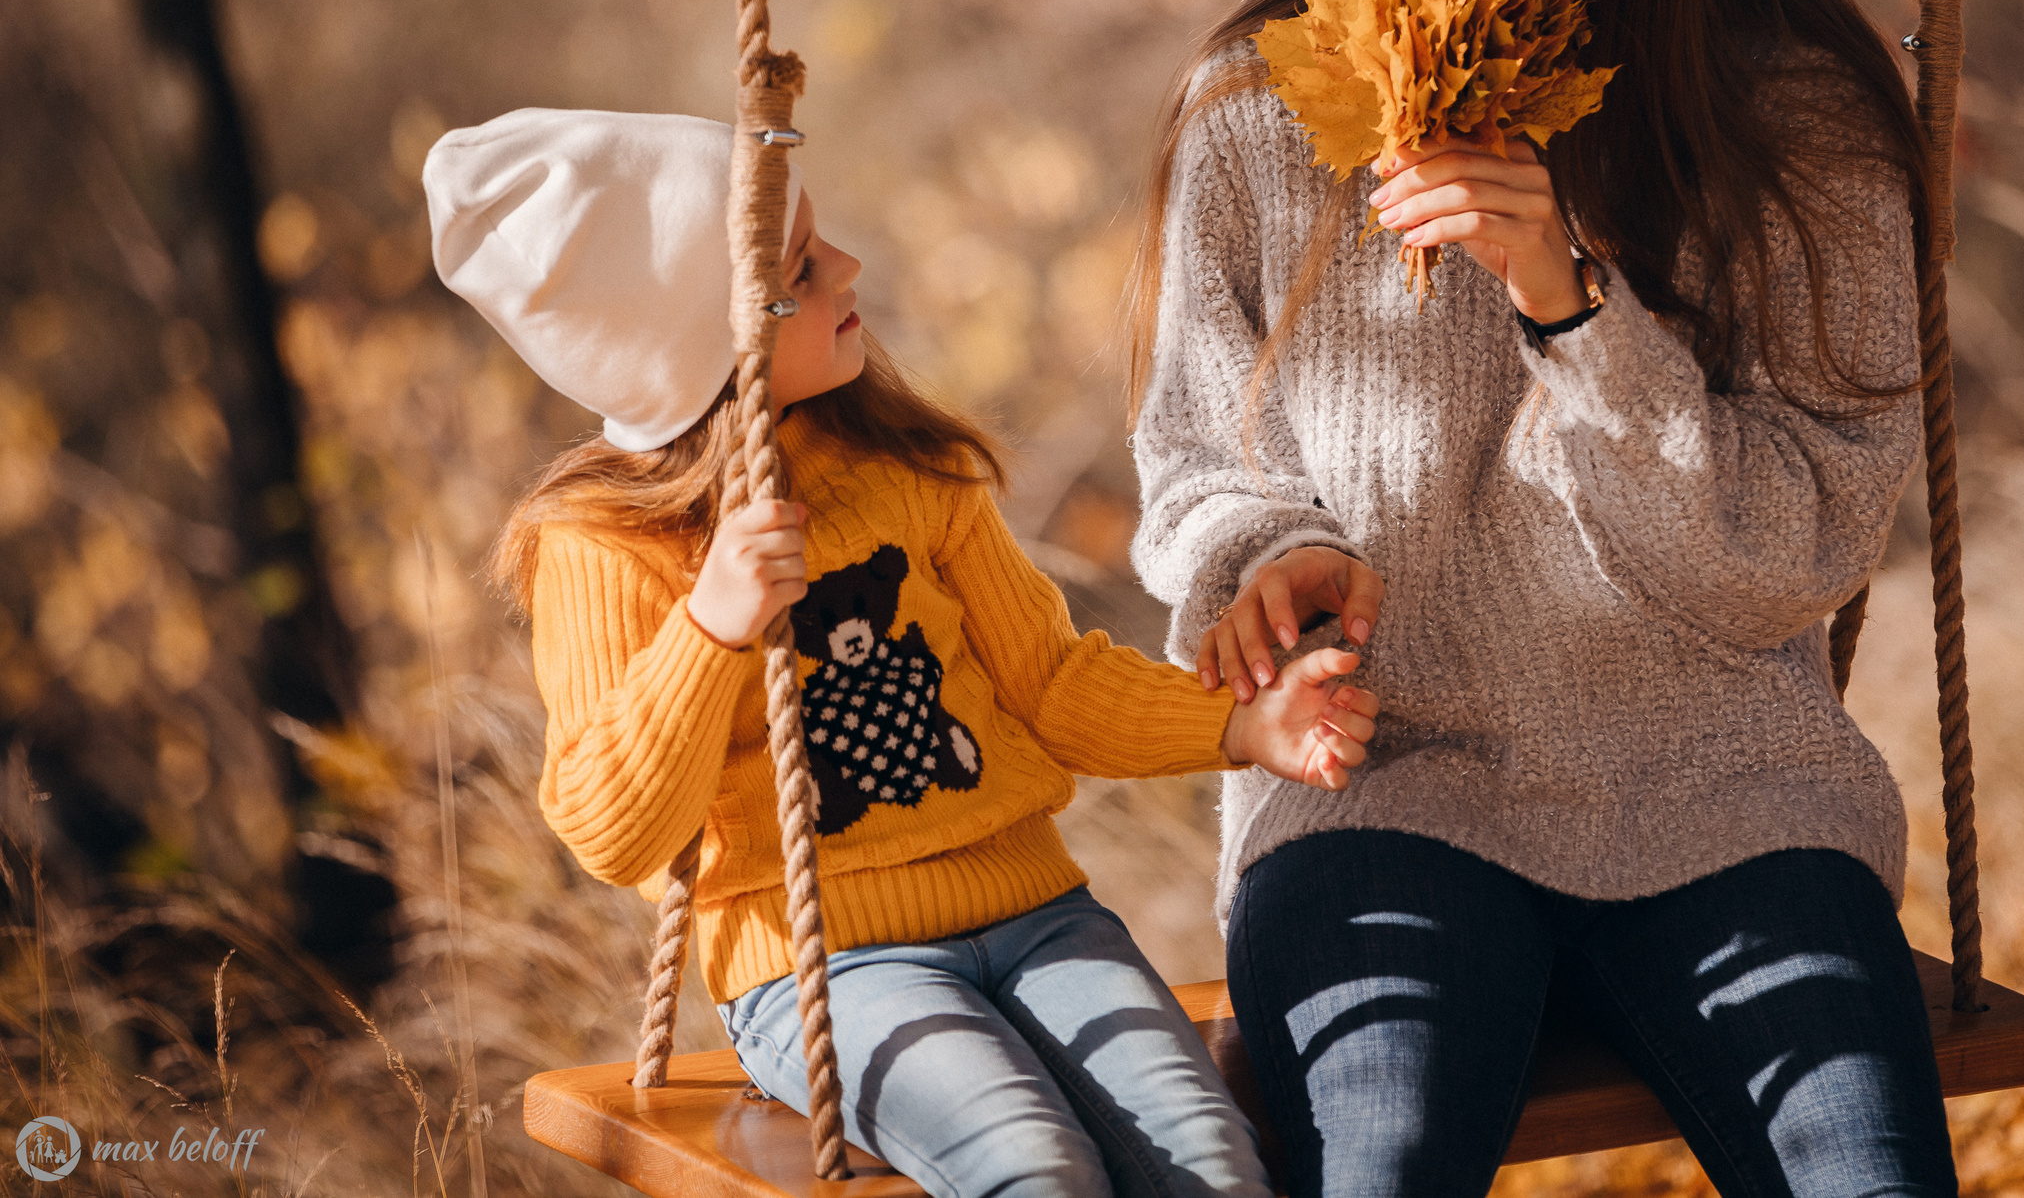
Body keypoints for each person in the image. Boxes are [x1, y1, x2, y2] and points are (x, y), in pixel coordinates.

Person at [1129, 0, 1960, 1198]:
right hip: (1384, 787)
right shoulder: (1263, 107)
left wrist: (1575, 306)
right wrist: (1265, 555)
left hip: (1726, 790)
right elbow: (1198, 454)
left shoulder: (1800, 122)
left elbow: (1802, 544)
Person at [426, 108, 1377, 1198]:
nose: (848, 266)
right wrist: (711, 627)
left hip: (1039, 920)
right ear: (697, 343)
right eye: (801, 268)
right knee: (1035, 1170)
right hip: (826, 970)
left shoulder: (907, 470)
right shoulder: (606, 544)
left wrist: (1241, 724)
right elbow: (612, 828)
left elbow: (1051, 683)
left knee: (1211, 1160)